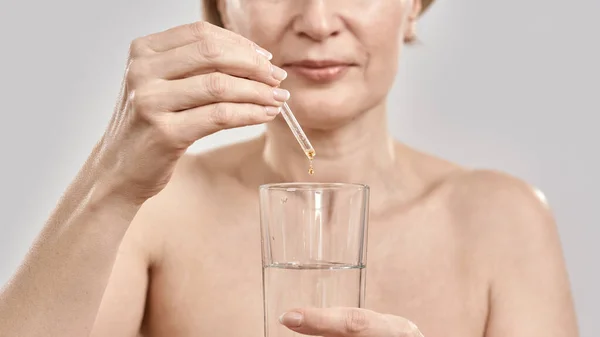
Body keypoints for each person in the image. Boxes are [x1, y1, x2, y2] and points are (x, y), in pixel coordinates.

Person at [0, 0, 579, 336]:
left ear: (413, 5)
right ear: (225, 7)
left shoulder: (504, 221)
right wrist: (113, 180)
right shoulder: (156, 209)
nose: (318, 20)